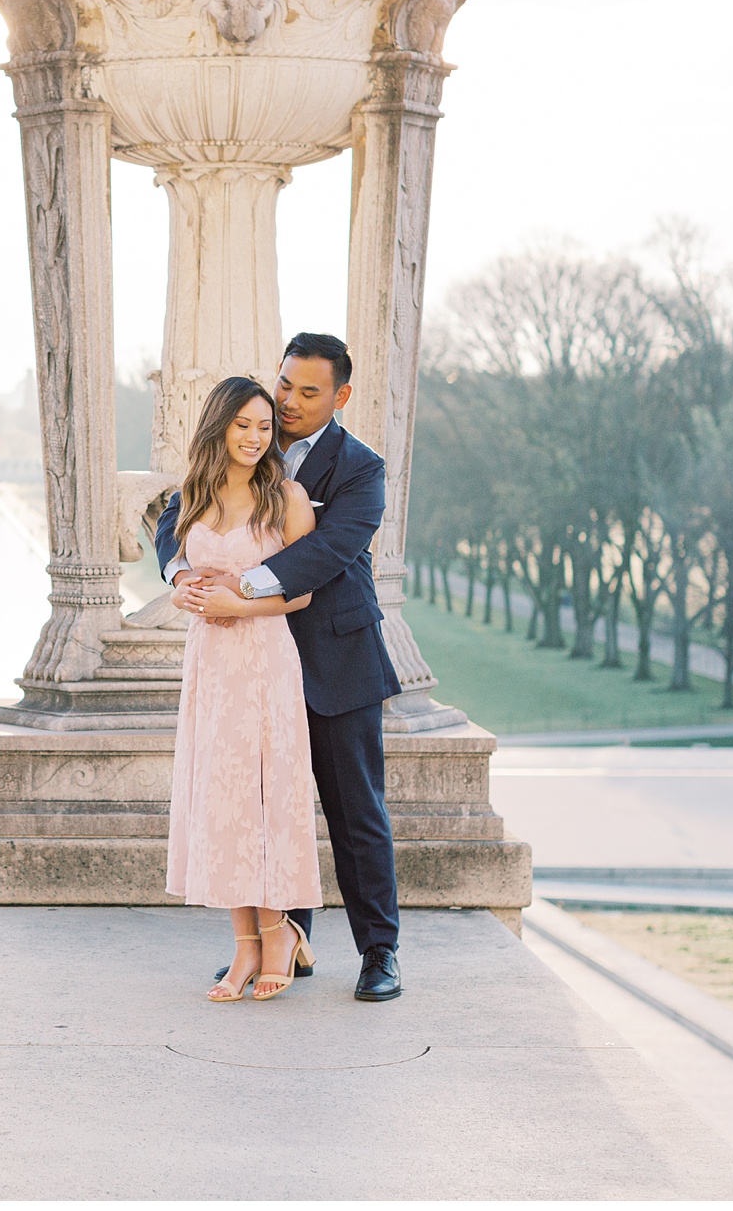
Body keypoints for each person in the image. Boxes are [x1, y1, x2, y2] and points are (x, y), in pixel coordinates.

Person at [155, 333, 406, 1002]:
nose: (289, 401)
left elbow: (325, 555)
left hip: (335, 657)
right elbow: (176, 516)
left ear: (341, 397)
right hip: (246, 664)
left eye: (307, 391)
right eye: (285, 384)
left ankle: (379, 949)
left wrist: (239, 589)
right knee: (259, 798)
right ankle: (283, 936)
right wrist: (182, 572)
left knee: (356, 811)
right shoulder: (242, 447)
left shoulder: (360, 469)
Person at [164, 376, 321, 1001]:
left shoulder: (285, 496)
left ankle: (280, 930)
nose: (256, 437)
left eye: (264, 426)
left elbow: (304, 590)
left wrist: (239, 604)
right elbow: (181, 572)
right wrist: (186, 593)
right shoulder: (193, 496)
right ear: (219, 427)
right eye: (242, 426)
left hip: (264, 658)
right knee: (221, 796)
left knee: (266, 793)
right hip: (210, 664)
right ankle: (243, 946)